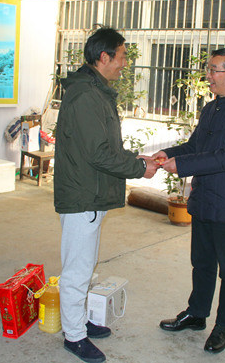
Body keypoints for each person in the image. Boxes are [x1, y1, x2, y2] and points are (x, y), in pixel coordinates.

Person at [53, 27, 159, 363]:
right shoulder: (87, 95)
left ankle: (78, 319)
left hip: (91, 192)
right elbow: (98, 153)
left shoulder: (95, 90)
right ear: (104, 57)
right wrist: (138, 168)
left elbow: (105, 146)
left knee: (85, 265)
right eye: (122, 56)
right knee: (77, 269)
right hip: (83, 196)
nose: (125, 63)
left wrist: (135, 159)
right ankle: (74, 336)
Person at [156, 48, 225, 354]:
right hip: (204, 200)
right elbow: (195, 146)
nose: (208, 76)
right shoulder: (211, 108)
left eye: (214, 70)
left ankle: (224, 325)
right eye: (209, 69)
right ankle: (197, 313)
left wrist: (184, 165)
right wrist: (169, 154)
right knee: (202, 263)